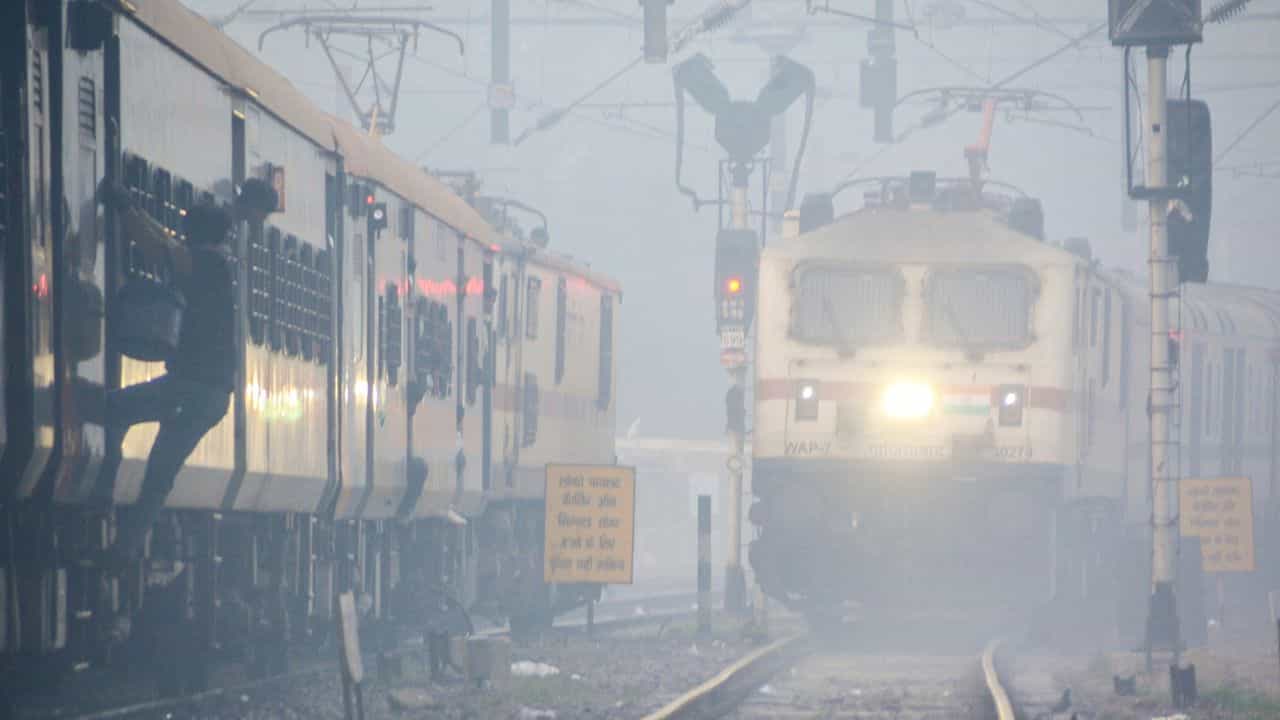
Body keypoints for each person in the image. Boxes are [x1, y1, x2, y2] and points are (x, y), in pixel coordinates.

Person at [97, 180, 272, 564]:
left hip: (188, 387)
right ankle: (123, 549)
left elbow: (159, 248)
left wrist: (125, 208)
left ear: (196, 235)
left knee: (111, 409)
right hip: (212, 397)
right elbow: (167, 242)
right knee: (160, 473)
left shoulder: (204, 263)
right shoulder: (220, 263)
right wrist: (133, 208)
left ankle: (102, 491)